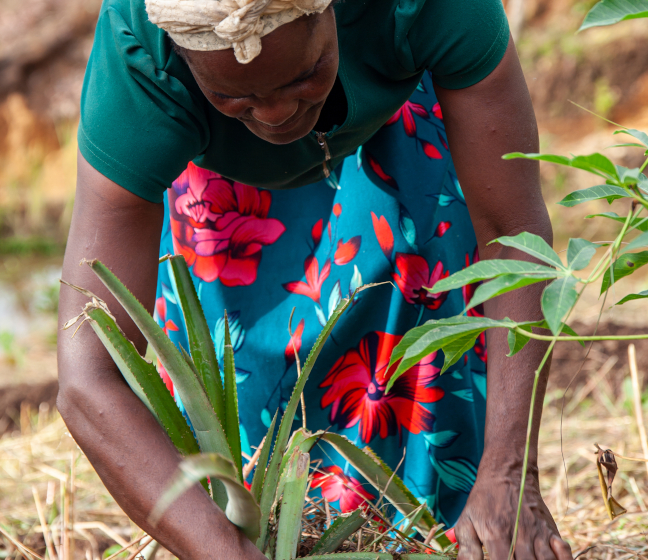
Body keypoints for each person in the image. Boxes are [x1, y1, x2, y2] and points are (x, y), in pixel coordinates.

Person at [57, 0, 574, 558]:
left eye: (305, 75)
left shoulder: (425, 8)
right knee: (248, 392)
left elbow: (510, 228)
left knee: (420, 298)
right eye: (235, 94)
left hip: (397, 131)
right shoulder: (141, 61)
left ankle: (436, 533)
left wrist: (509, 477)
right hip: (226, 194)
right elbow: (90, 372)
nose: (277, 114)